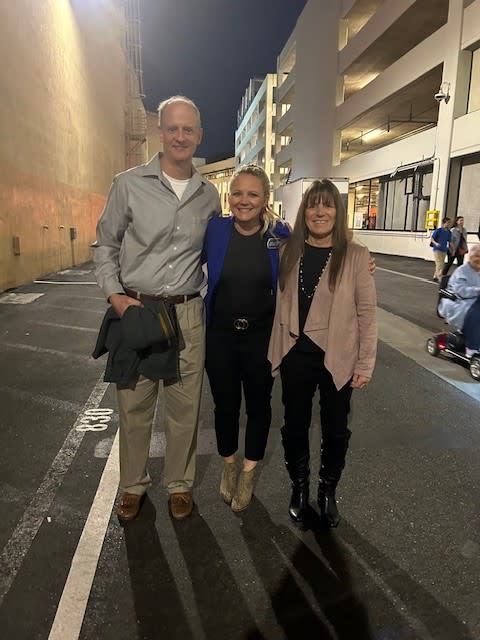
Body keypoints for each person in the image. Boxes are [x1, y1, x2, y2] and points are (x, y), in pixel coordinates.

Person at [93, 96, 221, 522]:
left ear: (199, 136)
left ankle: (179, 484)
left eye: (188, 130)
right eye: (172, 128)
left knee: (185, 408)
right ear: (160, 132)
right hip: (138, 310)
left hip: (187, 313)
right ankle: (132, 484)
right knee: (133, 407)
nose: (180, 136)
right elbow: (106, 245)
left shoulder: (209, 195)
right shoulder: (128, 184)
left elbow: (226, 245)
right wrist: (116, 298)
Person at [268, 179, 377, 527]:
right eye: (313, 205)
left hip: (339, 355)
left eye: (327, 205)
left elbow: (367, 313)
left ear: (337, 211)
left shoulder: (357, 256)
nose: (320, 212)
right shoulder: (286, 251)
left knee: (335, 428)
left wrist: (365, 363)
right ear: (304, 213)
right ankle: (299, 487)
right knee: (294, 425)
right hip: (295, 353)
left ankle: (327, 491)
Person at [203, 164, 290, 512]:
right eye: (237, 193)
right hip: (220, 336)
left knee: (259, 407)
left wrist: (359, 262)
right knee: (224, 406)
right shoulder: (214, 229)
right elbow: (180, 258)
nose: (244, 200)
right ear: (229, 197)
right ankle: (228, 465)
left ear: (265, 199)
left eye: (253, 194)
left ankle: (249, 473)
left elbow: (318, 252)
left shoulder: (280, 233)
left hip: (261, 338)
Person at [438, 243, 480, 357]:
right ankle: (472, 349)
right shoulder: (462, 271)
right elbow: (460, 291)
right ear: (470, 257)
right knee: (476, 314)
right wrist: (477, 290)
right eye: (477, 257)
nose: (479, 260)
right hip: (457, 303)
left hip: (473, 302)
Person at [430, 217, 452, 282]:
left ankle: (435, 276)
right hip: (437, 249)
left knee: (441, 263)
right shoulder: (438, 230)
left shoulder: (449, 232)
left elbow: (449, 241)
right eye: (447, 222)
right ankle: (439, 277)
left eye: (449, 223)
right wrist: (436, 243)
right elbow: (432, 239)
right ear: (444, 223)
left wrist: (452, 249)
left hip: (444, 249)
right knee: (439, 263)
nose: (449, 224)